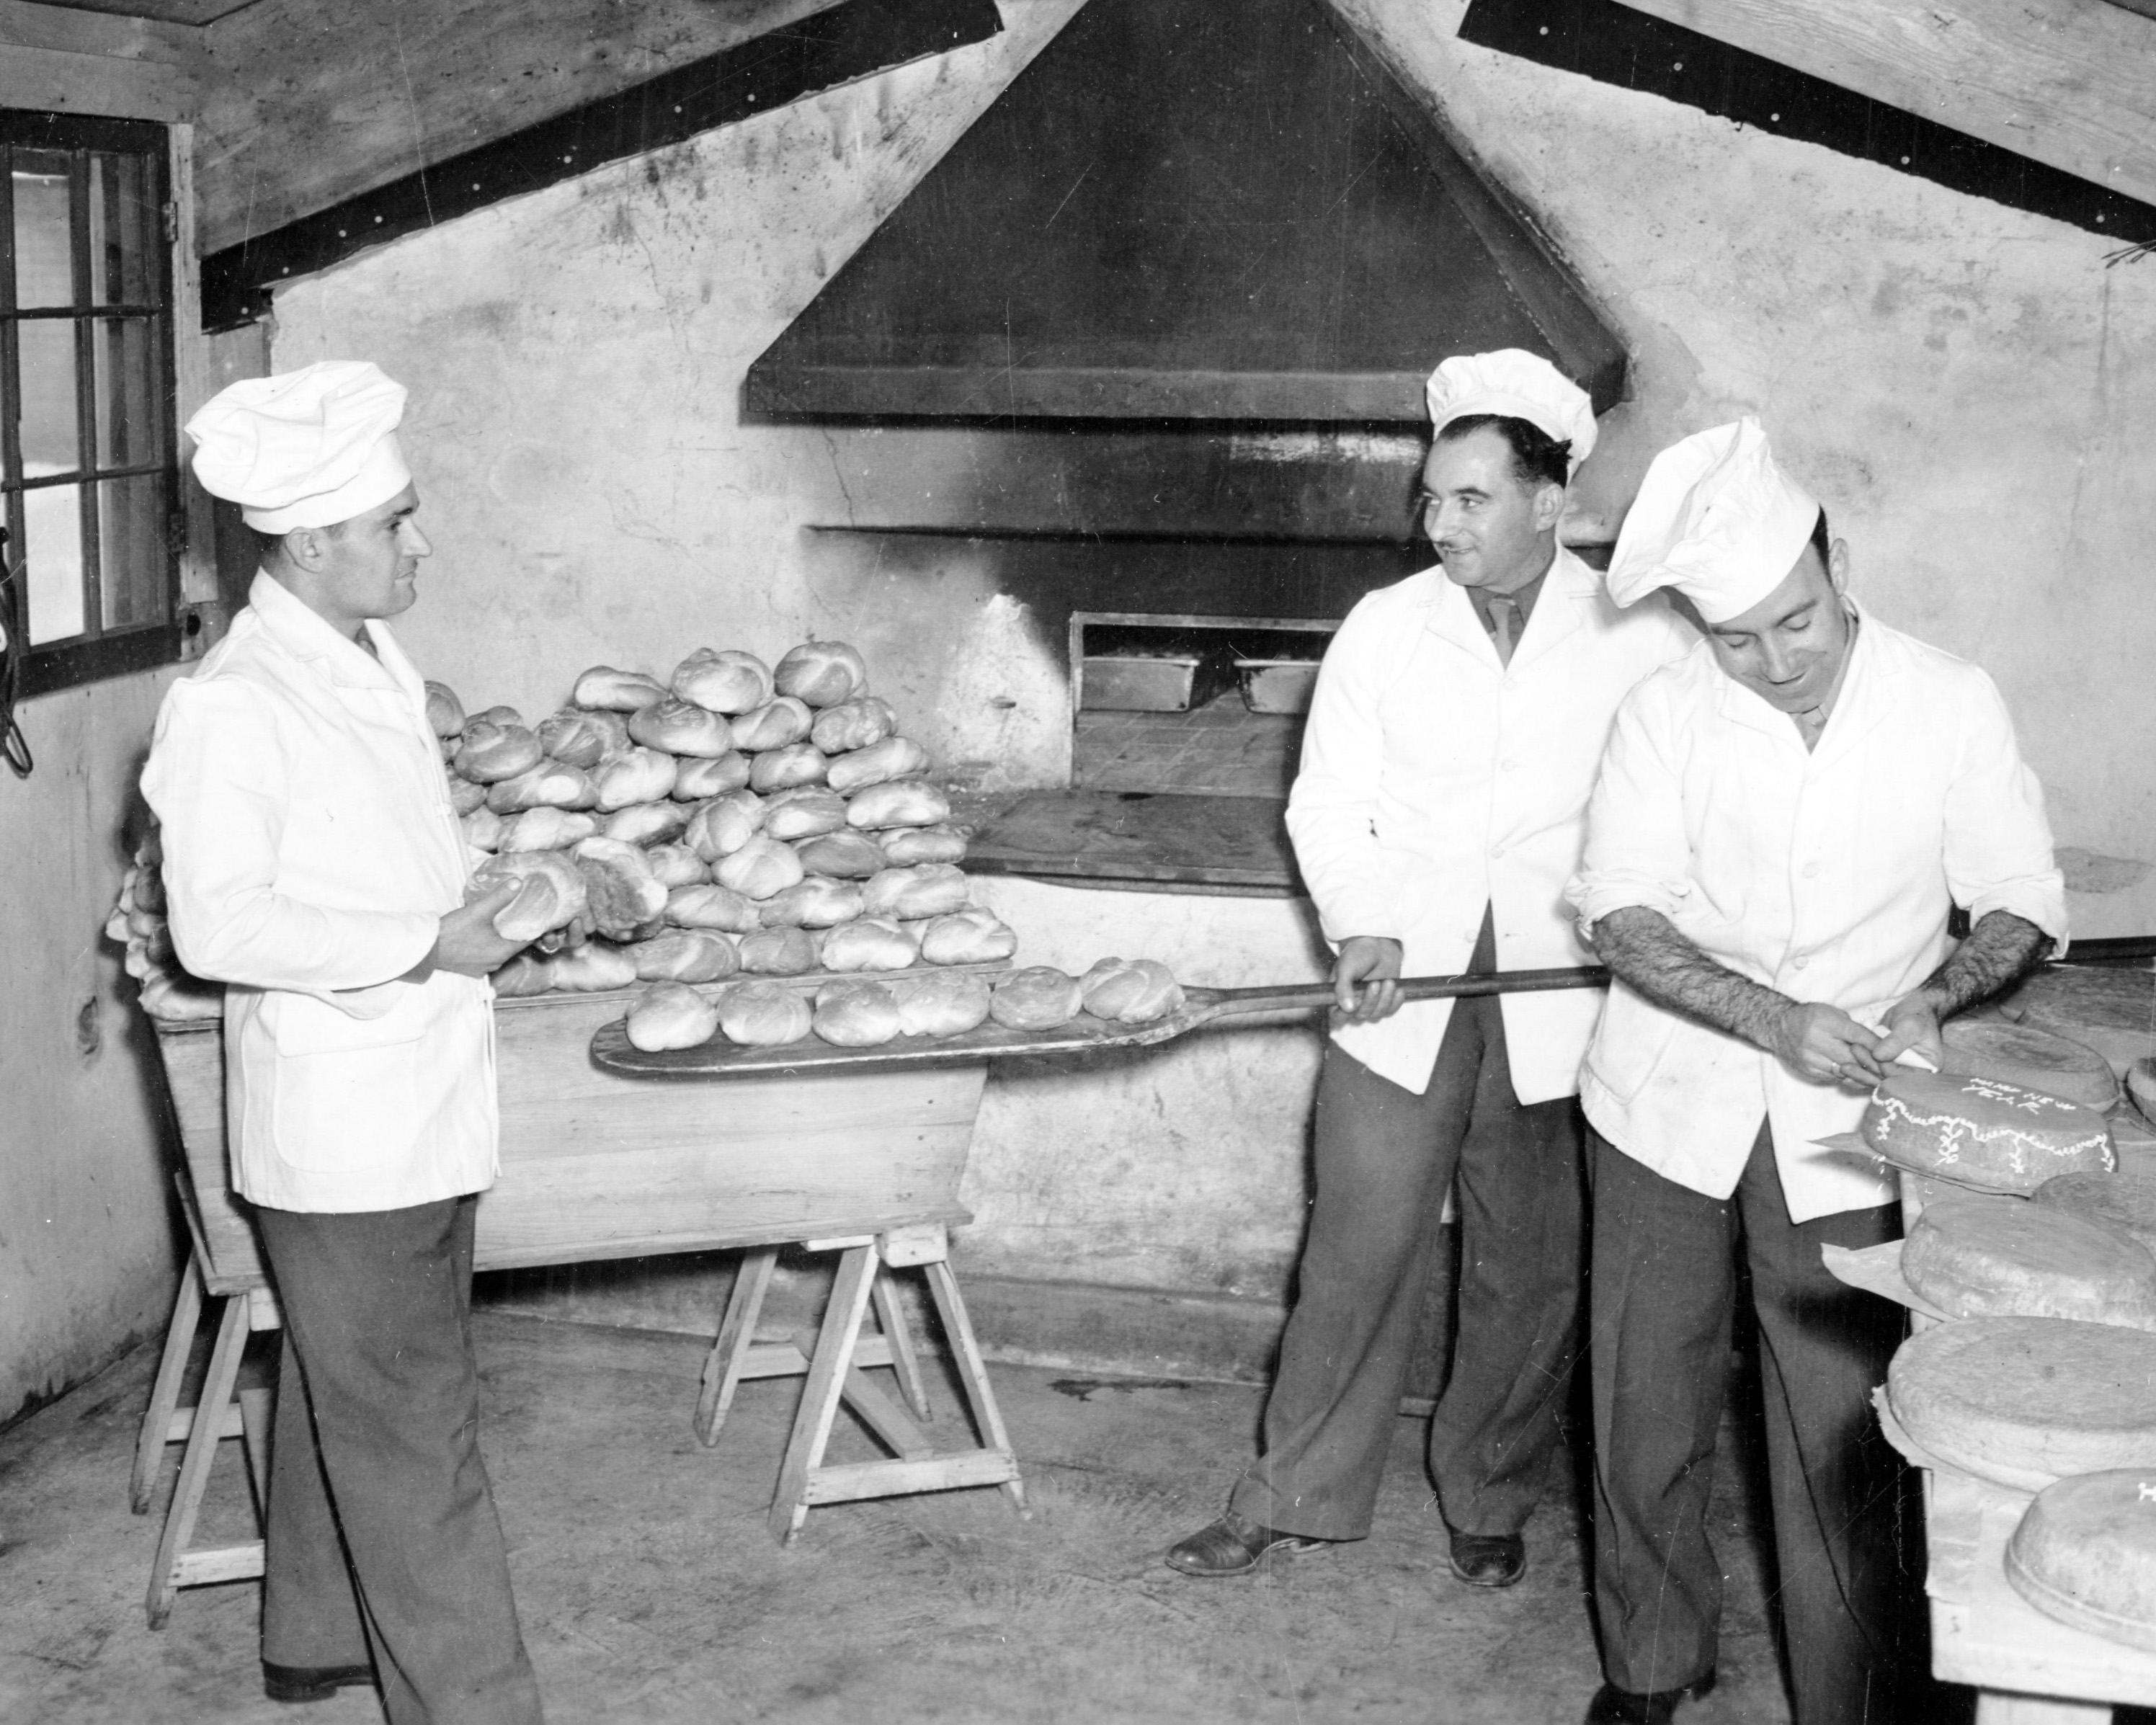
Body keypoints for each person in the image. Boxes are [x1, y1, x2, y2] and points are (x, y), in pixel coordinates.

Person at [1164, 350, 1693, 1585]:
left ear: (1549, 503)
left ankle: (1491, 1487)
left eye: (1470, 499)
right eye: (1432, 499)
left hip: (1563, 988)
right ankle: (1290, 1488)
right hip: (1403, 980)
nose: (1438, 523)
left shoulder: (1641, 633)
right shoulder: (1384, 627)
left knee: (1531, 1260)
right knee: (1358, 1243)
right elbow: (1327, 799)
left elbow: (1676, 798)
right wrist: (1360, 918)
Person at [1567, 419, 2064, 1725]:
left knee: (1841, 1434)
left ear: (1838, 569)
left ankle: (1847, 1700)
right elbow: (1619, 914)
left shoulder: (1949, 698)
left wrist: (1941, 990)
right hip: (1665, 1103)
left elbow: (2018, 899)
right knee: (1642, 1403)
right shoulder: (1661, 712)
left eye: (1800, 622)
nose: (1778, 662)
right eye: (1739, 639)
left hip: (1851, 1118)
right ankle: (1651, 1660)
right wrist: (1773, 1016)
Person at [142, 361, 545, 1722]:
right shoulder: (231, 702)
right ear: (310, 543)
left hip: (419, 1093)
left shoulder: (368, 659)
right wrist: (431, 942)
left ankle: (314, 1636)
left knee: (357, 1384)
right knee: (419, 1435)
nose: (420, 544)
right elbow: (220, 926)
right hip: (343, 1126)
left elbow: (373, 860)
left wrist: (486, 893)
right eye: (397, 523)